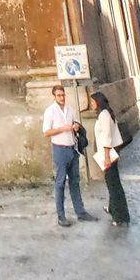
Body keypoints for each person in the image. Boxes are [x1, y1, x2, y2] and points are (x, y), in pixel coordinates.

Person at [41, 83, 97, 228]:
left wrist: (75, 126)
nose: (62, 97)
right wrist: (62, 128)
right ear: (54, 96)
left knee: (75, 181)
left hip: (72, 148)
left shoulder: (69, 109)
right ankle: (61, 215)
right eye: (59, 95)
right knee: (60, 182)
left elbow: (74, 124)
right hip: (60, 149)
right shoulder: (50, 111)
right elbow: (46, 132)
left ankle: (81, 211)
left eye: (63, 95)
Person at [91, 90, 130, 226]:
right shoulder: (105, 114)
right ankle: (114, 209)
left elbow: (107, 136)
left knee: (113, 185)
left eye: (92, 101)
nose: (91, 104)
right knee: (112, 183)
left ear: (98, 101)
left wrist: (106, 157)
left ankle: (120, 216)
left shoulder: (104, 115)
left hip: (108, 155)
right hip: (108, 154)